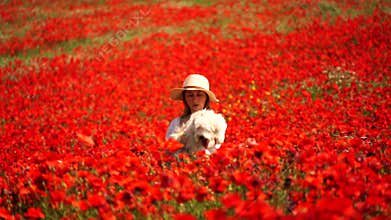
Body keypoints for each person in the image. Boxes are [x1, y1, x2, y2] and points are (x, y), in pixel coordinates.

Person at [166, 74, 224, 155]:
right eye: (190, 95)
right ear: (185, 98)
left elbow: (219, 146)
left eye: (199, 95)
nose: (195, 100)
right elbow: (169, 149)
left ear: (206, 98)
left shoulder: (216, 121)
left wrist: (210, 142)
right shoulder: (176, 123)